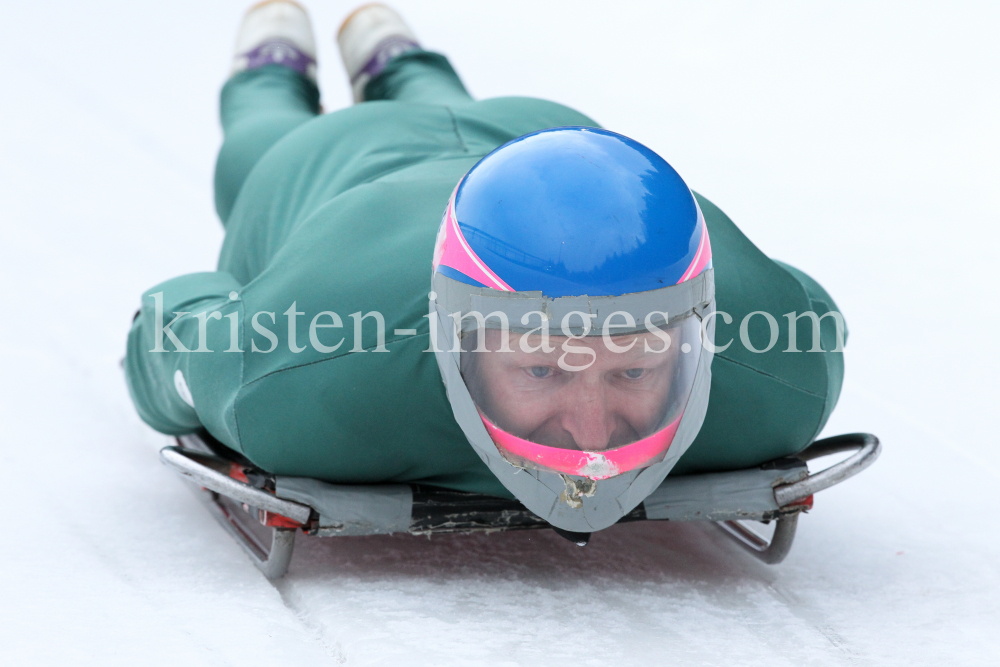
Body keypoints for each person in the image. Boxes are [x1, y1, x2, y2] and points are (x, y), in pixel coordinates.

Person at [124, 1, 847, 532]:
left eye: (632, 368)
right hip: (335, 166)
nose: (593, 435)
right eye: (541, 369)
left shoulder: (784, 368)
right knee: (257, 141)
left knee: (449, 107)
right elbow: (172, 322)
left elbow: (805, 317)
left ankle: (397, 58)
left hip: (537, 142)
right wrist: (181, 379)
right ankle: (277, 63)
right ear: (457, 342)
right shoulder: (300, 376)